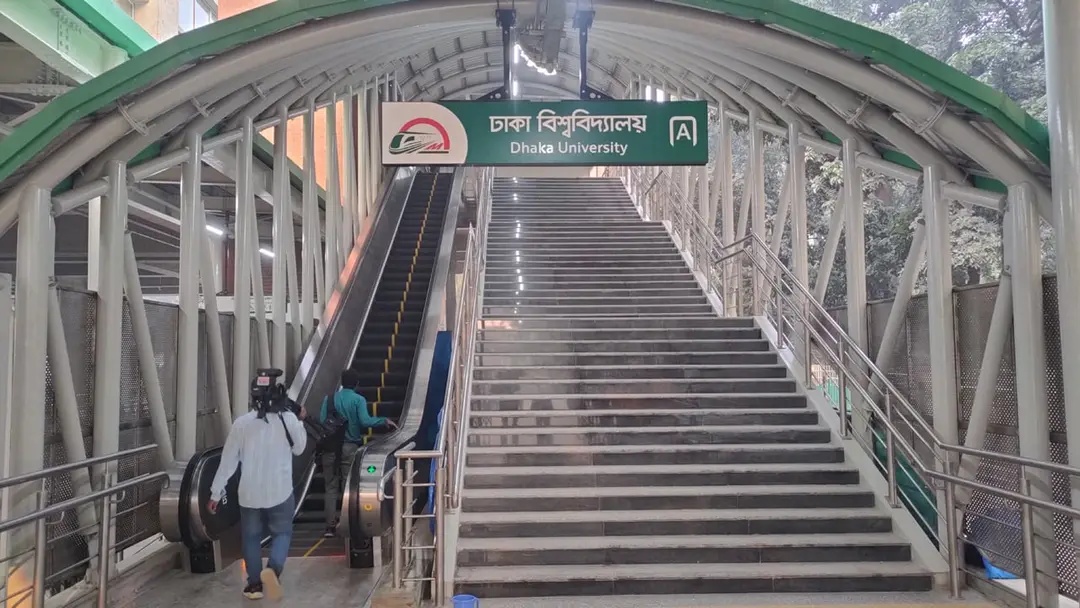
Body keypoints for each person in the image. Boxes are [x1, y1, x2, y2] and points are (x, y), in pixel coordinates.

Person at [208, 371, 306, 601]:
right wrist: (299, 420)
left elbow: (228, 461)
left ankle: (254, 585)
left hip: (249, 493)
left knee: (251, 538)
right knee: (282, 532)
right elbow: (300, 448)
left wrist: (215, 493)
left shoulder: (241, 424)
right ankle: (272, 569)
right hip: (280, 491)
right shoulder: (288, 420)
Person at [319, 369, 397, 537]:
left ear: (342, 382)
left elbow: (322, 421)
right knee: (348, 486)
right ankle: (347, 522)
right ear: (356, 384)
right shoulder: (358, 400)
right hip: (349, 447)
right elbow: (365, 421)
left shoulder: (329, 399)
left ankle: (329, 527)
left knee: (330, 486)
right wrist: (383, 421)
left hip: (330, 448)